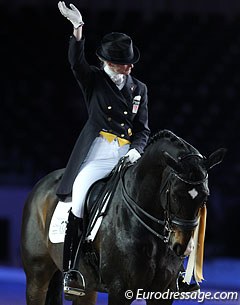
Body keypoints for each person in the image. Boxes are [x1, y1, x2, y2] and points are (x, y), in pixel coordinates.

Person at [57, 1, 150, 299]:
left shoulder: (139, 89)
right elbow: (75, 62)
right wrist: (77, 29)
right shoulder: (94, 80)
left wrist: (137, 149)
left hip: (127, 155)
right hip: (99, 151)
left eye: (131, 62)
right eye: (124, 62)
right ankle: (71, 268)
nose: (130, 67)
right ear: (109, 62)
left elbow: (143, 128)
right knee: (81, 196)